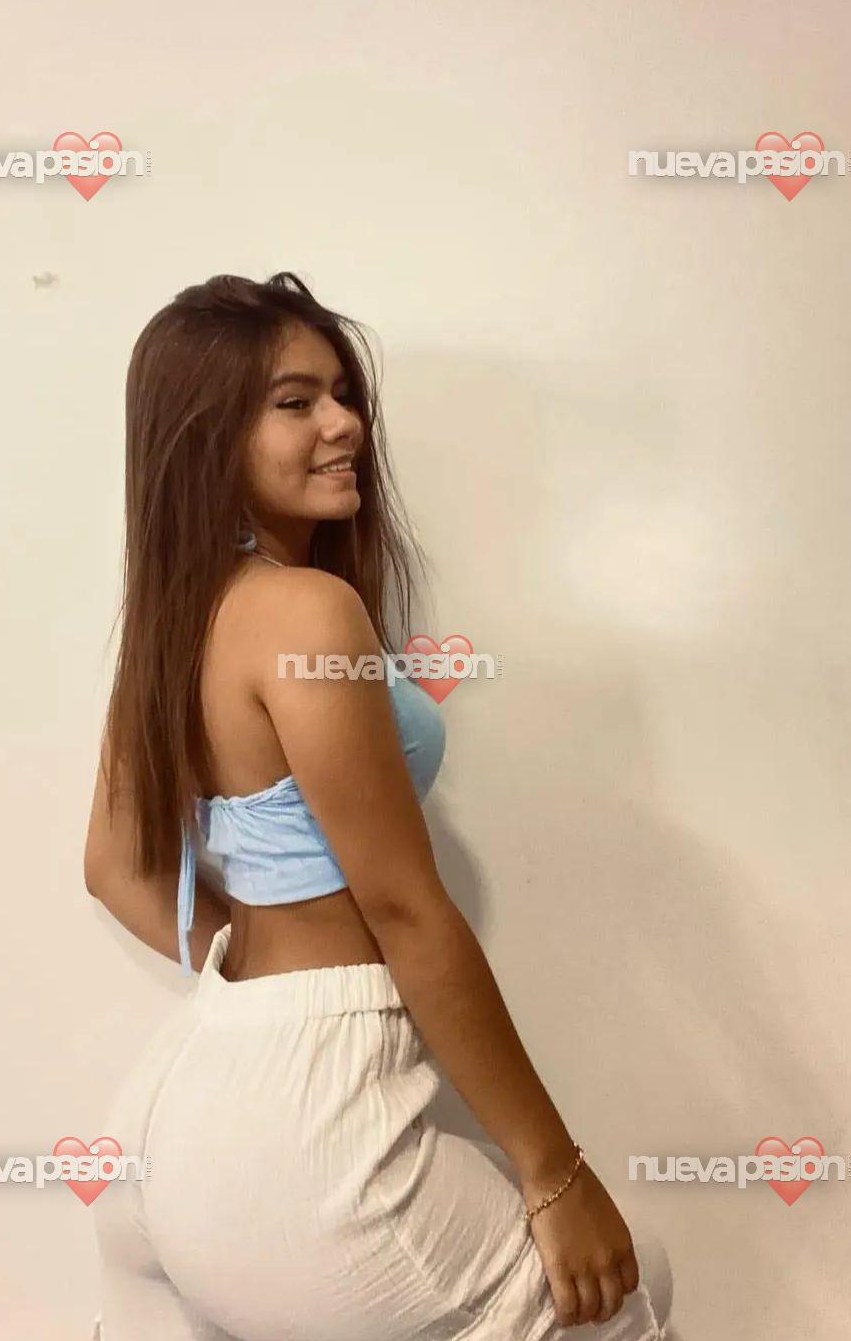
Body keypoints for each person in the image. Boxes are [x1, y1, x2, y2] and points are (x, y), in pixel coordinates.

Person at [83, 273, 674, 1339]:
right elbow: (404, 908)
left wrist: (269, 980)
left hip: (191, 1097)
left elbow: (113, 868)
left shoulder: (178, 618)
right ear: (208, 436)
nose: (345, 423)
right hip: (308, 1113)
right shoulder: (306, 611)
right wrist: (555, 1175)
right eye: (295, 402)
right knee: (623, 1296)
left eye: (343, 393)